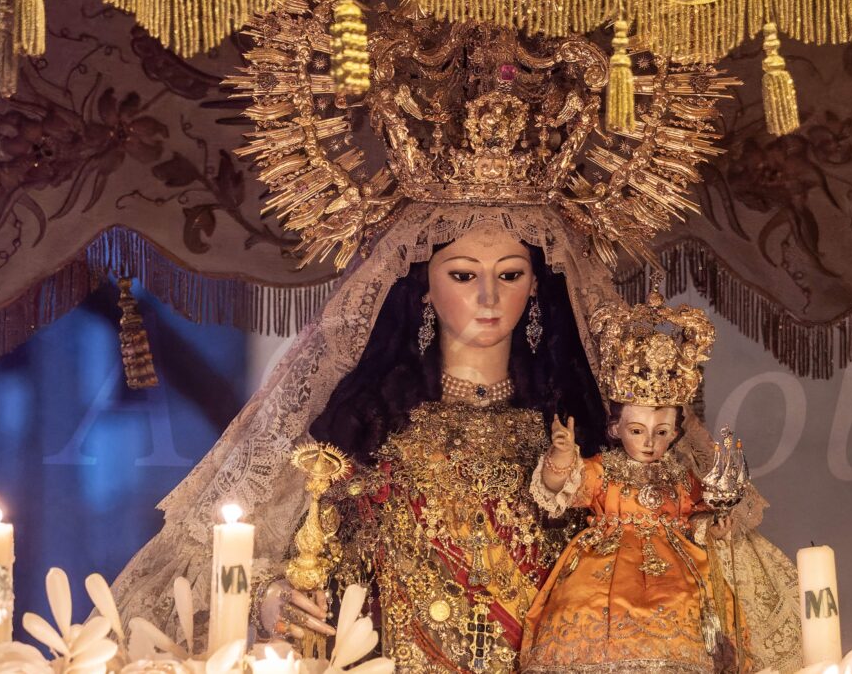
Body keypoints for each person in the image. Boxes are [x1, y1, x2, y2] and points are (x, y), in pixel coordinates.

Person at [110, 206, 619, 674]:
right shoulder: (368, 429)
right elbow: (299, 559)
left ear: (534, 286)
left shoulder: (569, 433)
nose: (489, 298)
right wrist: (276, 598)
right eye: (463, 275)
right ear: (424, 286)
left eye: (510, 275)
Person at [521, 293, 801, 673]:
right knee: (586, 620)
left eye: (661, 431)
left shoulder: (681, 476)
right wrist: (562, 455)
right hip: (602, 572)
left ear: (675, 434)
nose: (649, 442)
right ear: (615, 429)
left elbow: (698, 517)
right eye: (637, 430)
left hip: (679, 576)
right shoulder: (605, 469)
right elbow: (558, 488)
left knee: (688, 623)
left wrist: (713, 529)